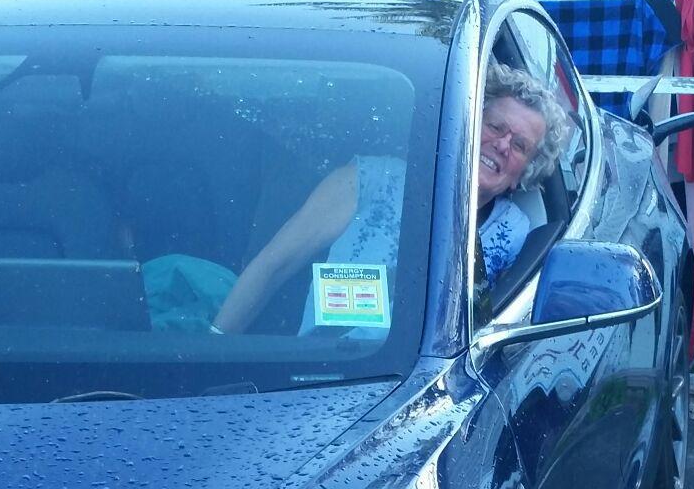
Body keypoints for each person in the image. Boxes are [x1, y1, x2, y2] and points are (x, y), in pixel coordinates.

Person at [211, 63, 571, 336]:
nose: (503, 144)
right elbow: (273, 265)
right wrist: (217, 343)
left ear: (523, 173)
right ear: (463, 122)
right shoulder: (370, 180)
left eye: (520, 145)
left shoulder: (517, 232)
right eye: (495, 126)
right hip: (325, 373)